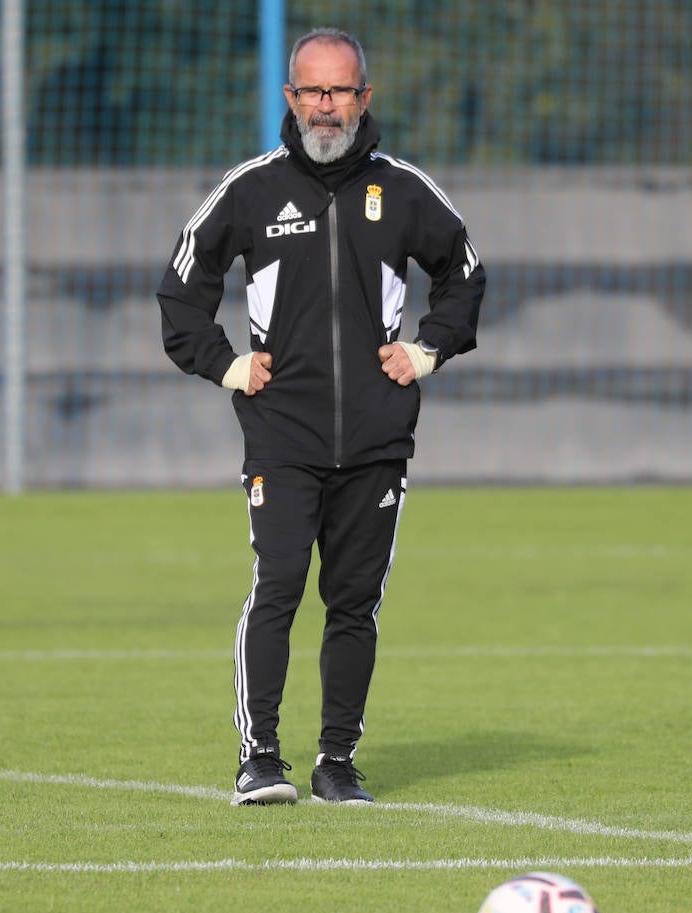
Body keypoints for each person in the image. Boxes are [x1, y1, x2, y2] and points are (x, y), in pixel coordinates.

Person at [156, 27, 485, 805]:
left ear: (365, 98)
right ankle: (259, 757)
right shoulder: (251, 190)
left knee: (355, 603)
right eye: (313, 91)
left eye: (341, 91)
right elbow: (181, 288)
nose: (327, 106)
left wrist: (428, 351)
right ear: (290, 98)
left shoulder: (403, 190)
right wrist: (226, 363)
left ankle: (337, 762)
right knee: (278, 584)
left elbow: (464, 275)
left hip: (377, 437)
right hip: (282, 432)